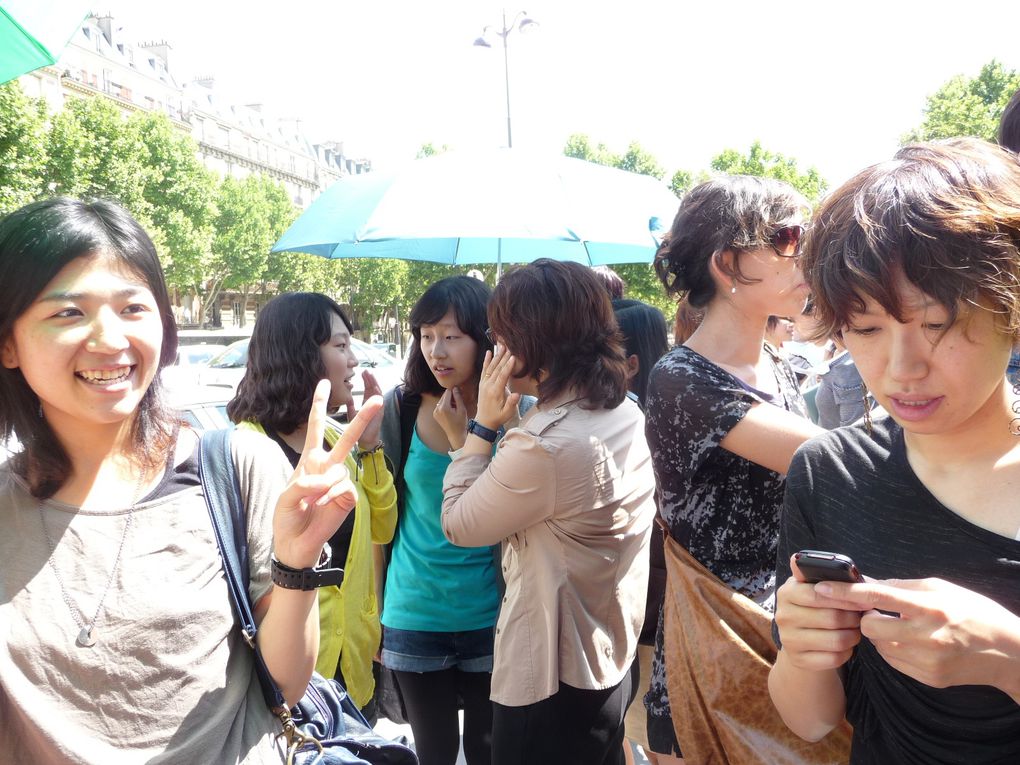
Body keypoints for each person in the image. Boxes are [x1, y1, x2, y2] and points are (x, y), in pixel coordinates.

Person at [0, 198, 378, 763]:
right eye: (68, 313)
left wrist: (296, 566)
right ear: (9, 341)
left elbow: (287, 684)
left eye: (132, 308)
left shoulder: (237, 466)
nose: (109, 340)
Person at [769, 138, 1020, 763]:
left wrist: (1010, 660)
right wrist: (804, 651)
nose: (902, 368)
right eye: (868, 328)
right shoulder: (828, 474)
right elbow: (810, 720)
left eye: (936, 323)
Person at [441, 259, 655, 765]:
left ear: (530, 343)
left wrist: (479, 433)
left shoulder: (544, 446)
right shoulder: (620, 409)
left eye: (499, 332)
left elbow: (460, 524)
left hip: (548, 679)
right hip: (606, 658)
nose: (492, 345)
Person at [644, 176, 824, 761]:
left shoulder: (778, 365)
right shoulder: (682, 378)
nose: (808, 253)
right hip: (716, 641)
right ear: (727, 264)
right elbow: (826, 458)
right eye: (791, 237)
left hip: (787, 639)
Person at [226, 291, 397, 719]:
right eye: (340, 346)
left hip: (352, 668)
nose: (354, 360)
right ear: (301, 355)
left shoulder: (340, 442)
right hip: (281, 682)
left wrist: (371, 448)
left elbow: (384, 528)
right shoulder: (244, 451)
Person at [378, 276, 507, 765]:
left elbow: (484, 510)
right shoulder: (403, 406)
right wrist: (376, 611)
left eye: (452, 335)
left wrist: (466, 438)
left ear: (484, 337)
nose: (437, 350)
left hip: (491, 612)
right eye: (426, 335)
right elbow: (384, 521)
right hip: (415, 610)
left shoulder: (516, 414)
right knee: (432, 752)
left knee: (487, 748)